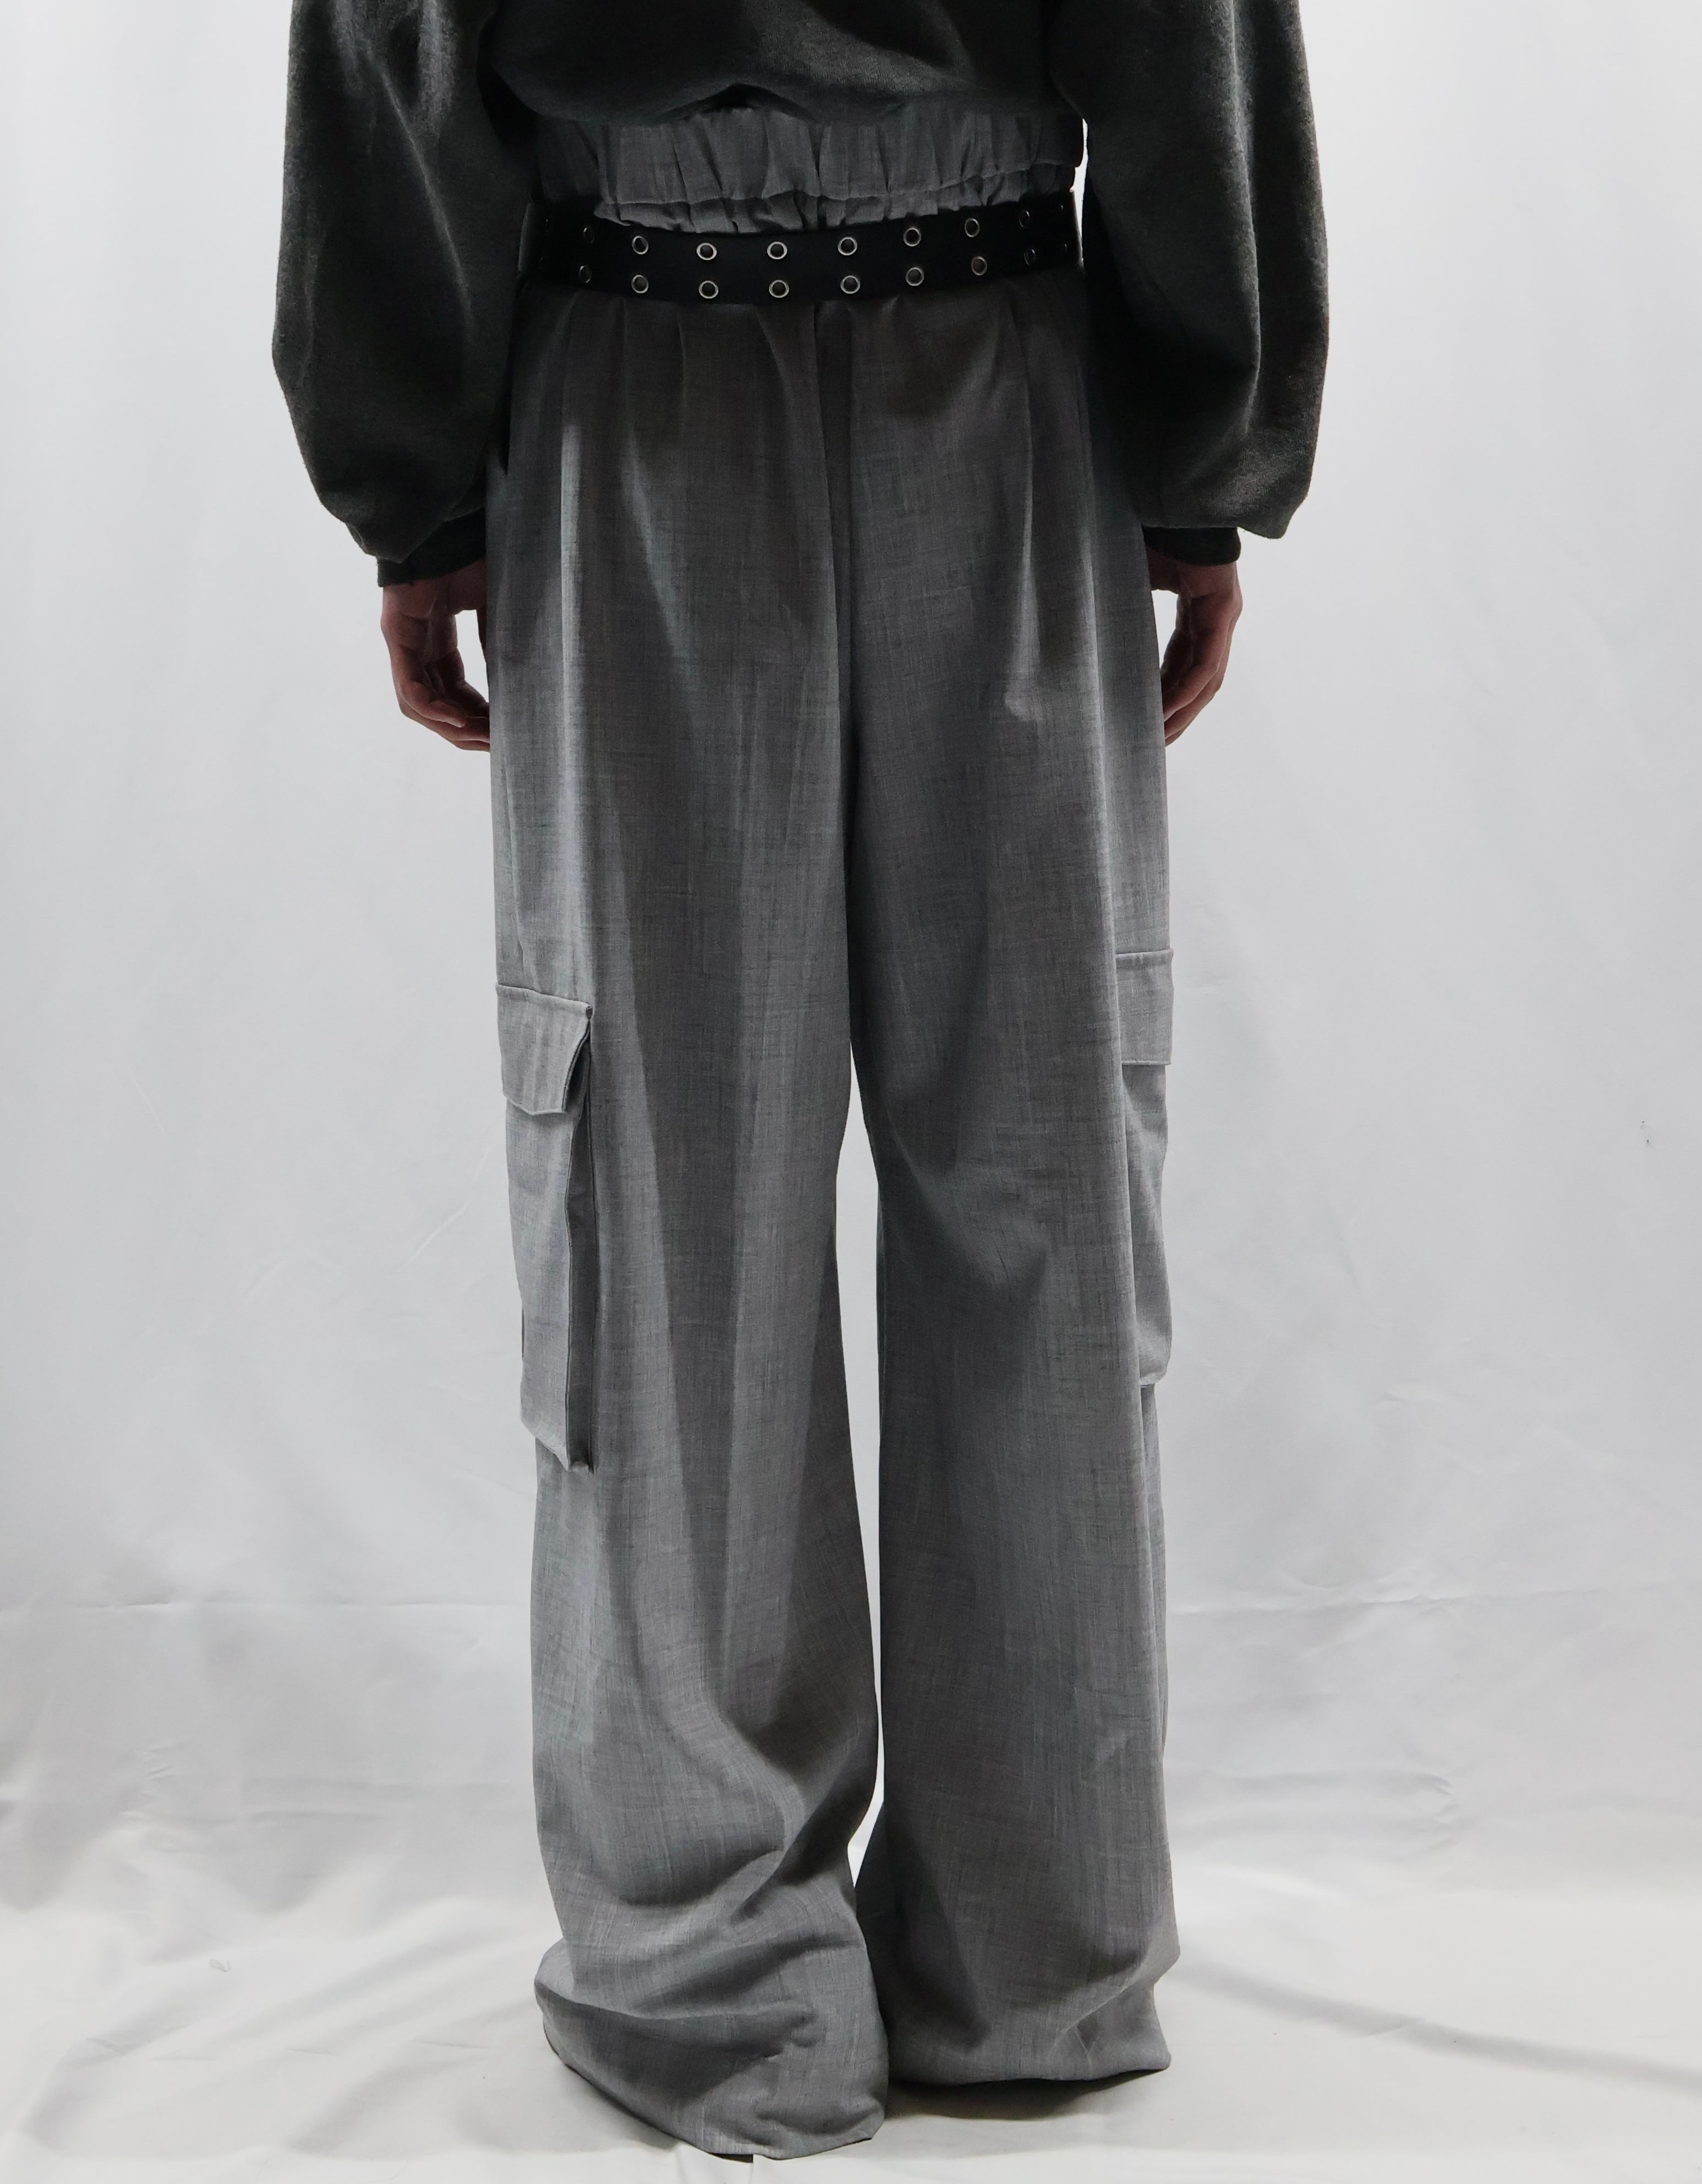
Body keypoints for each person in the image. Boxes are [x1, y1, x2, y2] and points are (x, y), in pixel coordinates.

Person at [275, 1, 1326, 2160]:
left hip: (641, 367)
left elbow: (389, 42)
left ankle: (720, 1977)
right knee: (1031, 1186)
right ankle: (1034, 1954)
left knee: (671, 1206)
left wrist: (412, 487)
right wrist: (1201, 454)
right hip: (996, 367)